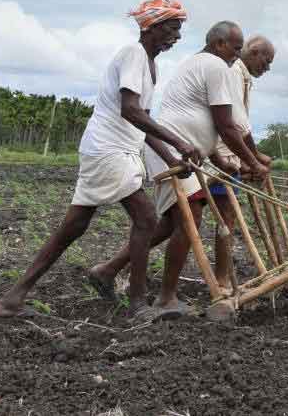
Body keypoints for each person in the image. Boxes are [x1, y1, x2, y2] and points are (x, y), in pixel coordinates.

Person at [0, 0, 201, 318]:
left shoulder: (150, 65)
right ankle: (138, 304)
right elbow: (130, 110)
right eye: (172, 28)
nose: (177, 36)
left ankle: (11, 300)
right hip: (109, 149)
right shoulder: (133, 54)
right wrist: (179, 142)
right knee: (147, 219)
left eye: (178, 29)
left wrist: (172, 158)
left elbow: (143, 122)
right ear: (151, 27)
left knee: (74, 225)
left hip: (114, 149)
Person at [90, 20, 267, 319]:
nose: (238, 55)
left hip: (182, 151)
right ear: (219, 44)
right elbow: (227, 125)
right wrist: (253, 162)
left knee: (172, 223)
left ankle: (108, 270)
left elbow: (201, 120)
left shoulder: (198, 64)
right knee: (189, 220)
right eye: (236, 48)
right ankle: (166, 297)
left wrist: (218, 159)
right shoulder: (215, 66)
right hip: (172, 152)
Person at [205, 35, 275, 287]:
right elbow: (236, 123)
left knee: (222, 214)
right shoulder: (234, 72)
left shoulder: (241, 75)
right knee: (224, 215)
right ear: (254, 52)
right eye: (266, 62)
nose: (267, 68)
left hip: (225, 153)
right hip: (220, 156)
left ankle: (222, 278)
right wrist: (254, 158)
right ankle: (222, 281)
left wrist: (252, 158)